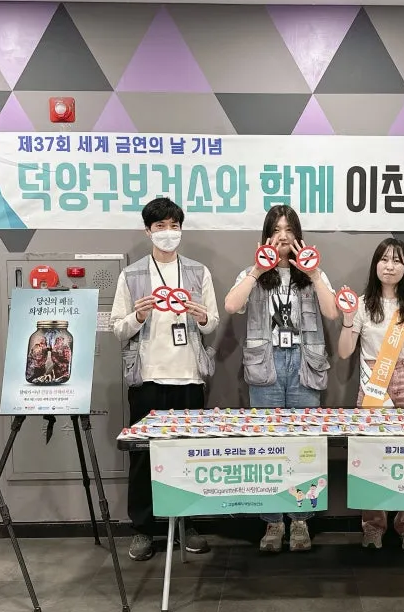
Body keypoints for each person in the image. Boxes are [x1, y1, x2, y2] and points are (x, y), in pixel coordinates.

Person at [111, 197, 219, 561]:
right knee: (143, 457)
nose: (168, 233)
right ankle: (143, 529)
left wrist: (201, 318)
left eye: (174, 226)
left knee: (190, 454)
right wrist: (138, 317)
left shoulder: (199, 272)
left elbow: (213, 323)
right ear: (148, 231)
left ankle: (189, 524)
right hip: (148, 379)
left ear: (181, 230)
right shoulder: (132, 275)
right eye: (160, 227)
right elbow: (117, 328)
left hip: (189, 377)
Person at [225, 204, 337, 553]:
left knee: (305, 445)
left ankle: (300, 519)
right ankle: (273, 521)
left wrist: (314, 274)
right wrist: (258, 269)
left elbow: (333, 312)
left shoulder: (312, 273)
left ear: (298, 234)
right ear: (266, 235)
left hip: (305, 363)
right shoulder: (254, 272)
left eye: (289, 229)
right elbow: (231, 306)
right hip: (266, 363)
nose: (283, 236)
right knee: (268, 445)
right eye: (276, 229)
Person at [337, 238, 404, 552]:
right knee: (371, 455)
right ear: (375, 265)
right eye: (384, 259)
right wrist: (348, 319)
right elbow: (344, 351)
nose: (390, 266)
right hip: (374, 380)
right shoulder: (363, 304)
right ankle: (373, 526)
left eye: (397, 260)